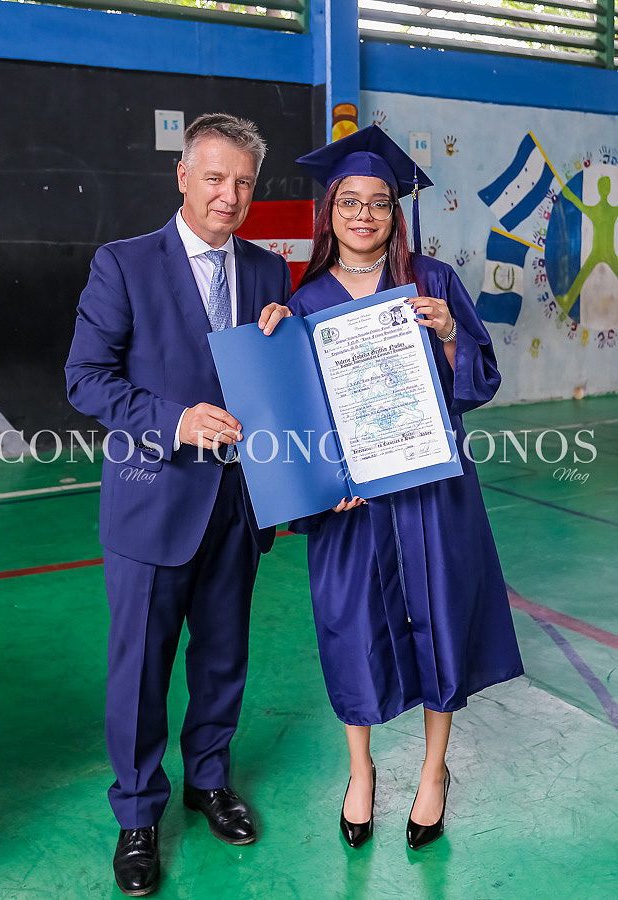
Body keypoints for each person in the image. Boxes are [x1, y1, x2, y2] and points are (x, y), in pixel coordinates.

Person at [65, 113, 291, 896]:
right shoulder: (124, 264)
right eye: (216, 177)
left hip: (238, 502)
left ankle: (209, 780)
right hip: (152, 501)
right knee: (140, 669)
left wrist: (289, 337)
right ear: (184, 176)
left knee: (224, 656)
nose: (230, 195)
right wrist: (175, 421)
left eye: (244, 183)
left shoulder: (268, 272)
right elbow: (86, 378)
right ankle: (137, 813)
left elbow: (274, 379)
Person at [289, 125, 523, 851]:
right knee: (351, 625)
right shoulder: (305, 301)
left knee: (441, 618)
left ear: (396, 212)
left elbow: (479, 380)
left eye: (379, 202)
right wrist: (323, 480)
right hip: (352, 502)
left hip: (431, 491)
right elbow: (296, 408)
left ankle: (432, 769)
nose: (364, 215)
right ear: (329, 212)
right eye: (349, 202)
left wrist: (451, 333)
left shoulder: (433, 282)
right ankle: (360, 770)